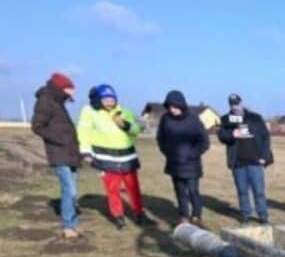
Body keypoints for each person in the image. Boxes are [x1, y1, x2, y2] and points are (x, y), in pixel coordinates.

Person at [77, 84, 149, 229]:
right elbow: (83, 130)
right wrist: (85, 151)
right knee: (112, 188)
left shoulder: (124, 111)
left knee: (133, 187)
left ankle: (139, 214)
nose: (110, 101)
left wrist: (125, 125)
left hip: (127, 156)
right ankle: (118, 216)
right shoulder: (90, 112)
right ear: (98, 99)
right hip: (106, 156)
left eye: (112, 98)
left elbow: (136, 129)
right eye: (106, 98)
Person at [31, 72, 83, 239]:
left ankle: (73, 225)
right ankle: (68, 226)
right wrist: (60, 139)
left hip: (69, 153)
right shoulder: (45, 101)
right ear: (61, 88)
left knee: (71, 190)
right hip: (58, 153)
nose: (73, 92)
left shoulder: (59, 103)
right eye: (70, 88)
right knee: (70, 190)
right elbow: (37, 126)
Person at [156, 90, 211, 226]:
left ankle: (196, 215)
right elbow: (160, 138)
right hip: (174, 163)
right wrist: (167, 152)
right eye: (170, 107)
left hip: (191, 164)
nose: (172, 110)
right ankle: (184, 216)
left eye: (175, 106)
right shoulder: (165, 119)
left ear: (181, 105)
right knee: (180, 192)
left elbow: (204, 141)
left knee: (193, 191)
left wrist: (192, 154)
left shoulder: (193, 120)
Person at [218, 93, 272, 224]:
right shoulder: (227, 119)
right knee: (242, 191)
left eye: (236, 103)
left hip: (255, 161)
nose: (235, 106)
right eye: (232, 104)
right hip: (238, 162)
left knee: (259, 191)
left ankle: (263, 216)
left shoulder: (255, 118)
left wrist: (264, 157)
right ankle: (245, 215)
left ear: (241, 103)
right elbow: (221, 135)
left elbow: (265, 137)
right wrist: (233, 134)